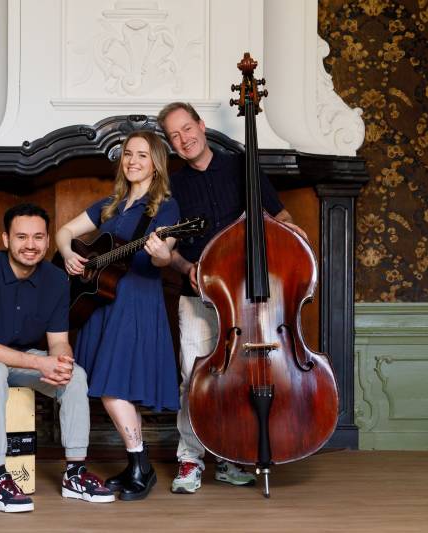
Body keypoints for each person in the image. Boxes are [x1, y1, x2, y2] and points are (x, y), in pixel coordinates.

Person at [157, 102, 308, 494]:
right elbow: (170, 252)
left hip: (251, 300)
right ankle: (190, 460)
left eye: (187, 128)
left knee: (240, 378)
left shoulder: (242, 167)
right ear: (170, 144)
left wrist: (292, 232)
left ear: (201, 125)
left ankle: (229, 456)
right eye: (174, 135)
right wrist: (184, 268)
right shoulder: (172, 186)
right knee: (195, 379)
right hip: (199, 296)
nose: (184, 139)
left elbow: (280, 217)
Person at [0, 203, 115, 513]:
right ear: (6, 239)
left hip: (18, 358)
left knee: (75, 375)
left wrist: (61, 362)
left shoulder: (57, 280)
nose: (30, 245)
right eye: (21, 237)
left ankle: (75, 473)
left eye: (38, 237)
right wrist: (40, 363)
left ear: (47, 241)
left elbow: (58, 343)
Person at [56, 130, 180, 501]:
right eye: (128, 154)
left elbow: (164, 257)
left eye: (142, 155)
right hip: (102, 302)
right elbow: (65, 231)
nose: (133, 161)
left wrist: (161, 254)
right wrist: (69, 254)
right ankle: (137, 467)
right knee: (115, 386)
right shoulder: (110, 204)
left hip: (136, 304)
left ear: (156, 164)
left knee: (113, 389)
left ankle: (141, 465)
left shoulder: (166, 208)